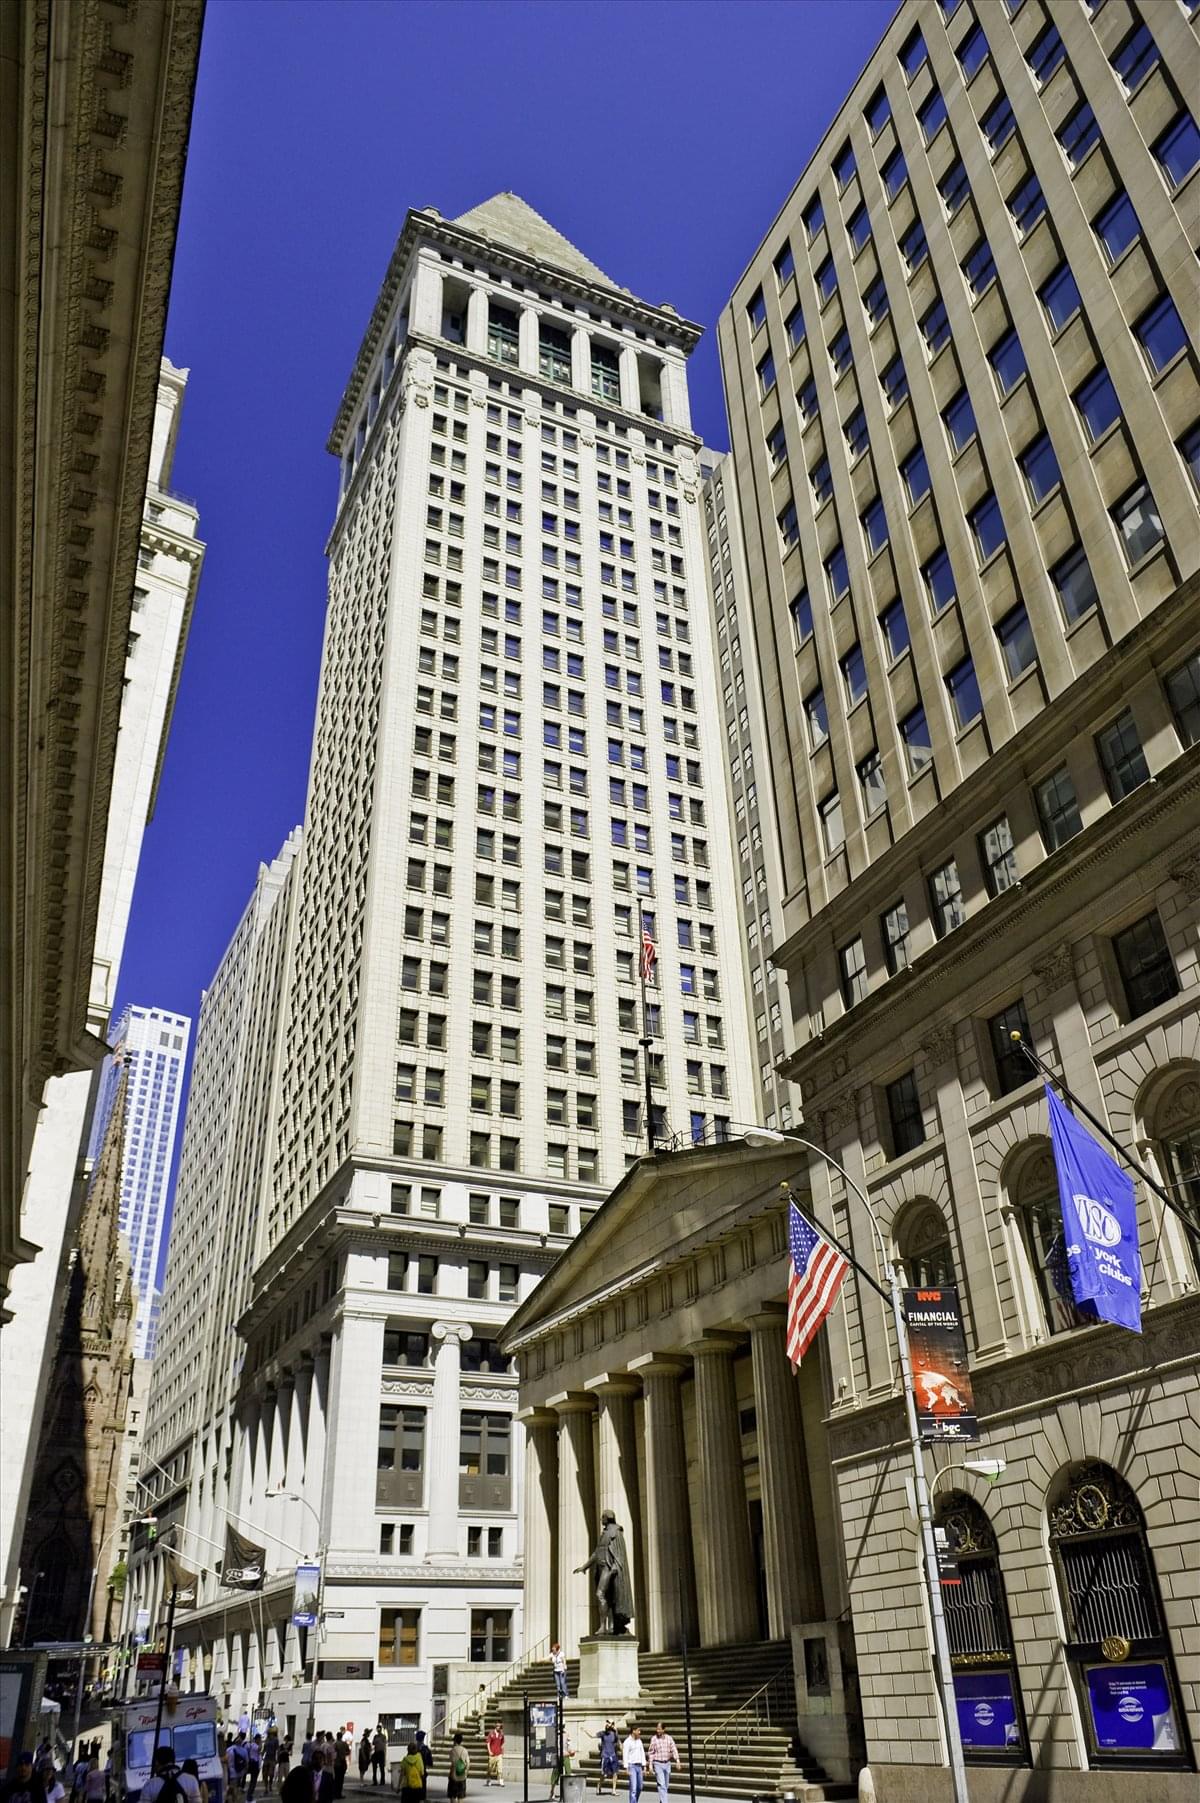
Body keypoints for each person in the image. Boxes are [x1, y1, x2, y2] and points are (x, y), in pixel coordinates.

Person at [645, 1728, 678, 1803]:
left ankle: (662, 1801)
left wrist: (677, 1760)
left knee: (665, 1785)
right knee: (661, 1785)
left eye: (659, 1729)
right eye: (657, 1729)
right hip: (658, 1763)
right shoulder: (654, 1739)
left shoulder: (669, 1738)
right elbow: (651, 1752)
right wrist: (650, 1765)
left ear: (664, 1730)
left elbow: (674, 1749)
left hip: (667, 1763)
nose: (658, 1731)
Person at [619, 1729, 645, 1803]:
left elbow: (642, 1753)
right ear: (633, 1731)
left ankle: (634, 1801)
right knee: (633, 1788)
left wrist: (644, 1766)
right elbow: (625, 1755)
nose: (639, 1732)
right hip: (632, 1766)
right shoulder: (627, 1742)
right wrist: (626, 1768)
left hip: (639, 1766)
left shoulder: (639, 1741)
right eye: (638, 1731)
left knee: (640, 1787)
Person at [597, 1723, 619, 1796]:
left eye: (609, 1725)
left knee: (615, 1773)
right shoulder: (602, 1734)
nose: (608, 1726)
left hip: (613, 1755)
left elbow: (617, 1741)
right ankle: (599, 1785)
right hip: (605, 1756)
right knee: (604, 1774)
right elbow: (593, 1735)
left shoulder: (614, 1734)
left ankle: (613, 1790)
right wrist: (585, 1731)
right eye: (607, 1725)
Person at [445, 1736, 468, 1803]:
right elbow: (468, 1763)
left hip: (453, 1776)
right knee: (460, 1797)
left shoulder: (452, 1750)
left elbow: (452, 1764)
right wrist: (466, 1773)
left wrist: (450, 1775)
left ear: (455, 1741)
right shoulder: (465, 1750)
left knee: (452, 1796)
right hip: (462, 1777)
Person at [413, 1732, 431, 1802]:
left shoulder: (413, 1749)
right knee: (422, 1793)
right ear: (423, 1739)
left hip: (413, 1773)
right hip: (423, 1772)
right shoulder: (426, 1749)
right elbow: (429, 1763)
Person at [332, 1737, 347, 1802]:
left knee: (336, 1779)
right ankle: (339, 1794)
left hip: (336, 1763)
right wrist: (343, 1754)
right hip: (342, 1762)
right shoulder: (344, 1743)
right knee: (341, 1779)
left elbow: (333, 1752)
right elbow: (348, 1751)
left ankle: (335, 1793)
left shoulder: (334, 1744)